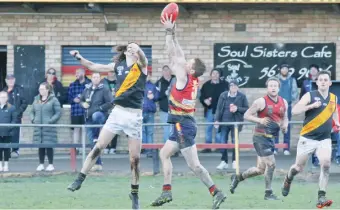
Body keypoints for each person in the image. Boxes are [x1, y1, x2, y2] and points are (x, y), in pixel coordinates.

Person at [150, 15, 226, 209]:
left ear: (190, 69)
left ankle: (216, 192)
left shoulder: (183, 77)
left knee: (194, 166)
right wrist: (174, 33)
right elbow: (180, 54)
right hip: (181, 123)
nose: (185, 62)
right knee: (164, 154)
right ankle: (167, 191)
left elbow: (172, 55)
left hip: (184, 125)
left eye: (188, 62)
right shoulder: (191, 77)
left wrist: (168, 33)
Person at [66, 42, 148, 210]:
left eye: (135, 47)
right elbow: (92, 65)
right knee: (99, 146)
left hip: (134, 115)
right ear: (125, 52)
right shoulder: (117, 66)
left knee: (135, 159)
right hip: (118, 113)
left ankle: (134, 194)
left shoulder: (141, 67)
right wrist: (78, 57)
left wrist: (138, 50)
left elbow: (144, 59)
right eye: (129, 47)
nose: (132, 49)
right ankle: (80, 178)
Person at [281, 71, 340, 208]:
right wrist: (310, 106)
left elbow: (334, 110)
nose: (323, 82)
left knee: (326, 164)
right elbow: (295, 111)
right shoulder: (310, 95)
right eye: (321, 80)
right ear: (317, 82)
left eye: (326, 80)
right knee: (298, 167)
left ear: (330, 83)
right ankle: (288, 178)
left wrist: (336, 122)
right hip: (307, 138)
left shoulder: (333, 98)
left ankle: (321, 196)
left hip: (324, 139)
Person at [229, 77, 288, 200]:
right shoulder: (261, 101)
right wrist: (260, 119)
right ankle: (268, 193)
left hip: (271, 138)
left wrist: (284, 126)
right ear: (267, 88)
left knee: (261, 169)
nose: (273, 88)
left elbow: (285, 117)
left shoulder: (284, 102)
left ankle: (238, 177)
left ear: (278, 88)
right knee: (271, 164)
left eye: (275, 85)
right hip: (260, 136)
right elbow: (246, 115)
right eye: (270, 85)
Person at [214, 79, 249, 170]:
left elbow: (246, 109)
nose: (233, 87)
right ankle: (224, 161)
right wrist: (217, 120)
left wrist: (237, 109)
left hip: (236, 123)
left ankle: (235, 161)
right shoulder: (223, 95)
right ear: (229, 87)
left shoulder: (242, 96)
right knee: (222, 142)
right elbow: (218, 109)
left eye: (235, 86)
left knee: (235, 142)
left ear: (238, 87)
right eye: (231, 86)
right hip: (224, 122)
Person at [30, 82, 62, 172]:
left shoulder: (54, 100)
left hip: (49, 128)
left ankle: (51, 164)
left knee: (49, 146)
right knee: (40, 146)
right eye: (40, 89)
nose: (40, 91)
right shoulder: (36, 99)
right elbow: (31, 111)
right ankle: (41, 164)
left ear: (47, 90)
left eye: (42, 89)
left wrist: (50, 121)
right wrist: (33, 119)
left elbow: (58, 112)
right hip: (38, 127)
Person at [0, 91, 17, 172]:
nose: (2, 99)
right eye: (1, 97)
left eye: (4, 97)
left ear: (7, 98)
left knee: (6, 149)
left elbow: (14, 120)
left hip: (7, 133)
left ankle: (6, 164)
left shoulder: (11, 108)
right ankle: (0, 165)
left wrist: (9, 127)